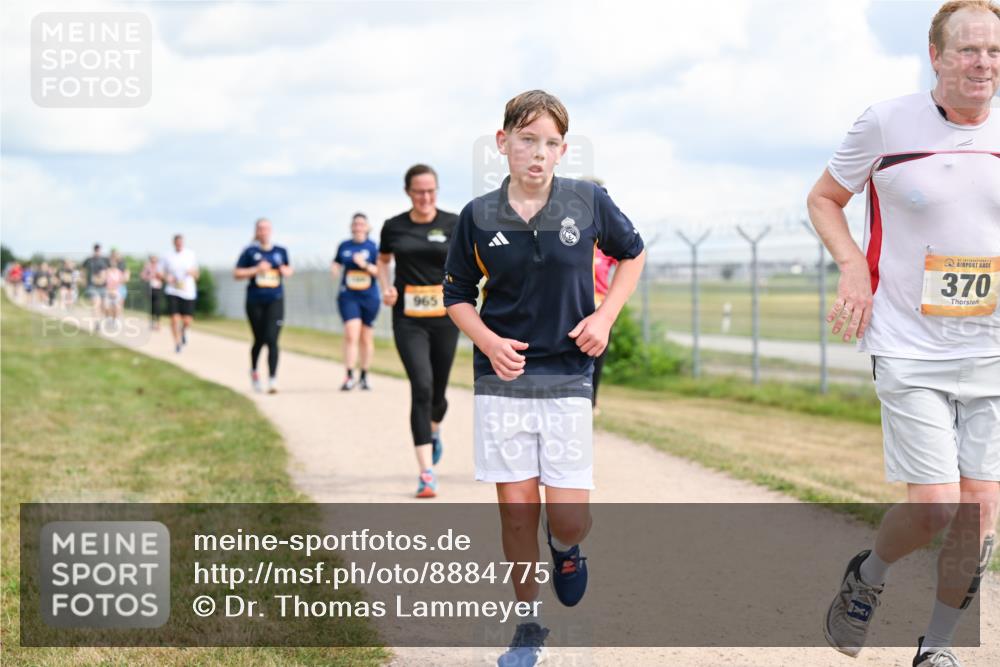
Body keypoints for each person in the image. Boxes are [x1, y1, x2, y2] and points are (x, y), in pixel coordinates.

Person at [808, 3, 1000, 665]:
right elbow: (824, 198)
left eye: (996, 52)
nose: (984, 64)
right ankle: (868, 573)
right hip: (908, 343)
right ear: (936, 54)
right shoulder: (887, 122)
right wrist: (853, 268)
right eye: (970, 50)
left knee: (978, 511)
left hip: (994, 348)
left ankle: (937, 647)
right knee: (936, 508)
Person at [443, 90, 645, 666]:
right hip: (502, 379)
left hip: (568, 374)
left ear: (562, 150)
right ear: (502, 142)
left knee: (567, 517)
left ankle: (566, 547)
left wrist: (605, 318)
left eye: (551, 143)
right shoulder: (477, 216)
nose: (539, 153)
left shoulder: (587, 201)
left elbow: (633, 254)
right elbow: (457, 294)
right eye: (527, 140)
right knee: (514, 511)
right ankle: (528, 626)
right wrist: (487, 341)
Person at [377, 164, 459, 498]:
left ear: (437, 190)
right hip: (408, 317)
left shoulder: (453, 224)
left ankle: (434, 429)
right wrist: (386, 287)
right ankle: (426, 472)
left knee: (438, 394)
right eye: (418, 191)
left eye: (431, 191)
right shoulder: (393, 227)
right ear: (408, 192)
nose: (425, 197)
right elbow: (382, 262)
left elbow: (471, 262)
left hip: (445, 316)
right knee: (421, 387)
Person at [234, 218, 292, 393]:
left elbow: (289, 271)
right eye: (260, 228)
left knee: (272, 339)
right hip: (255, 300)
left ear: (271, 230)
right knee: (259, 339)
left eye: (266, 228)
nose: (264, 231)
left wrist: (283, 270)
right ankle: (254, 371)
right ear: (256, 231)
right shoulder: (249, 252)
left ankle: (273, 379)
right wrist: (256, 269)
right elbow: (236, 273)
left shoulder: (281, 251)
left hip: (275, 299)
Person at [332, 213, 380, 391]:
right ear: (351, 227)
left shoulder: (374, 247)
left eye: (362, 224)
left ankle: (365, 376)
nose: (358, 227)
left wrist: (364, 264)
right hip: (348, 296)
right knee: (351, 333)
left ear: (367, 227)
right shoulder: (344, 246)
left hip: (369, 297)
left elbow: (379, 272)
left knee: (366, 338)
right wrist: (334, 268)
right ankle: (349, 376)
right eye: (355, 224)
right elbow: (336, 262)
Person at [162, 234, 199, 353]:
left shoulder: (190, 254)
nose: (179, 244)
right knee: (174, 319)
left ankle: (183, 332)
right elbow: (159, 273)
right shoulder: (167, 256)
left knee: (187, 320)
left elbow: (197, 274)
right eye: (177, 242)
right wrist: (167, 277)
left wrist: (191, 273)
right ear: (174, 243)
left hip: (188, 292)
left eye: (181, 242)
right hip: (173, 290)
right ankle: (177, 343)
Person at [81, 244, 109, 317]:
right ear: (93, 250)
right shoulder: (88, 260)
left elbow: (109, 271)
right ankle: (97, 322)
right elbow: (83, 270)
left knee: (105, 306)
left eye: (98, 250)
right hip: (92, 286)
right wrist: (83, 280)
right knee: (96, 303)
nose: (97, 252)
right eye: (96, 250)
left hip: (103, 286)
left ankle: (105, 319)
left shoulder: (105, 260)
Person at [140, 254, 164, 330]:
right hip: (150, 288)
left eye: (155, 260)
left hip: (157, 288)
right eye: (152, 260)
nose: (153, 261)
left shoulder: (160, 267)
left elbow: (163, 276)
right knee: (151, 306)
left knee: (157, 306)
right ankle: (152, 322)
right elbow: (142, 276)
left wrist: (158, 275)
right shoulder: (147, 267)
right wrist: (149, 276)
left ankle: (158, 323)